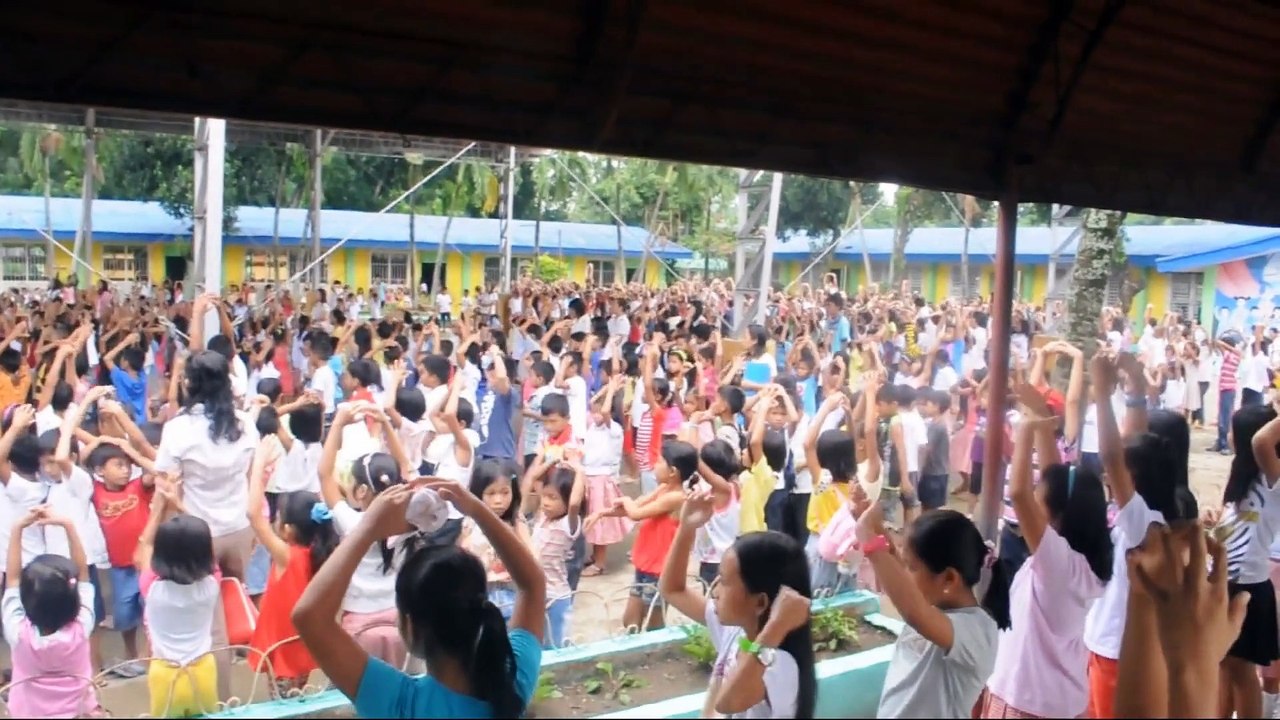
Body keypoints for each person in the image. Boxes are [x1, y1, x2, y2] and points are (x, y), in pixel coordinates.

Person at [292, 478, 546, 719]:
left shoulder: (403, 703)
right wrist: (475, 509)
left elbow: (309, 617)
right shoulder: (512, 679)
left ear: (410, 627)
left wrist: (368, 528)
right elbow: (533, 585)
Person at [980, 394, 1113, 718]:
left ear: (1058, 518)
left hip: (1026, 702)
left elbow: (1020, 493)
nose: (1029, 512)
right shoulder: (1081, 563)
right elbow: (1058, 479)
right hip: (1055, 699)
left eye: (1040, 506)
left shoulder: (1060, 565)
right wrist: (1043, 428)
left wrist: (1024, 430)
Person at [659, 489, 816, 718]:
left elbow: (728, 703)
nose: (716, 591)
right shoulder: (736, 631)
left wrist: (775, 628)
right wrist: (686, 528)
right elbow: (672, 590)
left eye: (724, 580)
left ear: (759, 602)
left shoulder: (780, 663)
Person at [3, 506, 100, 718]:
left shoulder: (18, 633)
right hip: (78, 713)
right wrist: (68, 525)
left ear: (26, 600)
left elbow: (11, 580)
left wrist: (18, 527)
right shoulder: (82, 626)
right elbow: (83, 575)